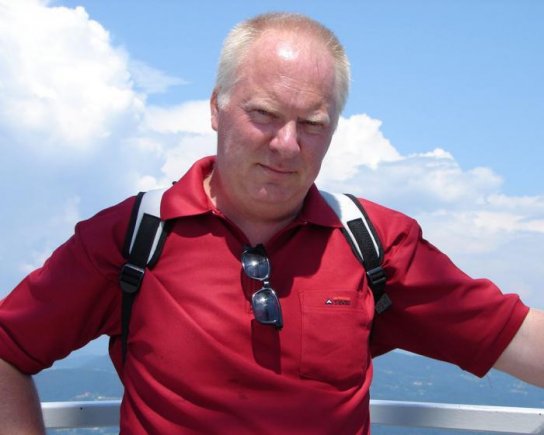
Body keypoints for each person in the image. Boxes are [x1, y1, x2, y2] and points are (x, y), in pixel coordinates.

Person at [0, 11, 543, 435]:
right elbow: (8, 349)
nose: (286, 145)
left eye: (312, 123)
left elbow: (517, 339)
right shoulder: (131, 238)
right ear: (216, 108)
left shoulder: (376, 246)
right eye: (263, 114)